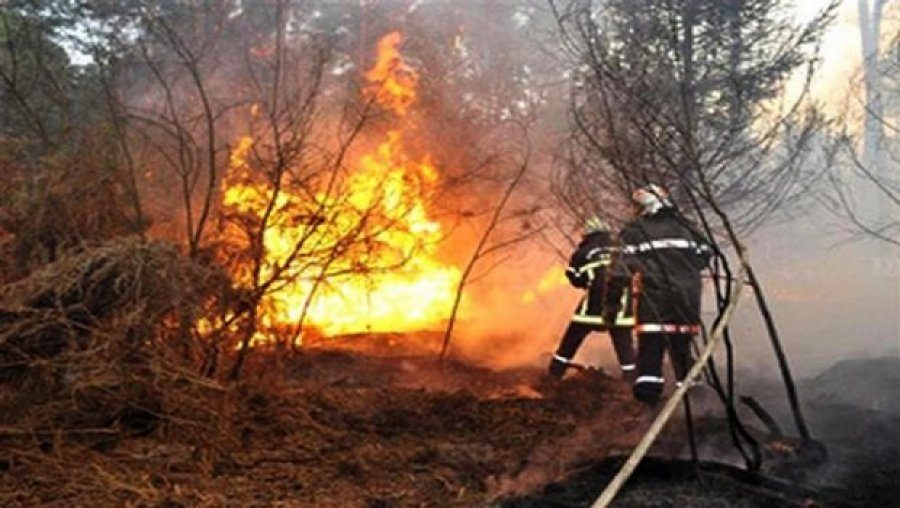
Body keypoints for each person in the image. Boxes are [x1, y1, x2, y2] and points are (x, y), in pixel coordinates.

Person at [606, 184, 712, 404]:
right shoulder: (687, 226)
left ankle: (649, 402)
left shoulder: (635, 231)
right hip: (687, 299)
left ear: (646, 206)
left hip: (655, 300)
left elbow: (619, 272)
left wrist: (612, 305)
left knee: (651, 348)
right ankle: (696, 402)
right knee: (681, 346)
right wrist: (684, 271)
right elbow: (705, 254)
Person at [548, 216, 636, 380]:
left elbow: (575, 279)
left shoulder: (584, 252)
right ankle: (632, 383)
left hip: (591, 309)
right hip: (621, 310)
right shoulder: (624, 248)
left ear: (587, 233)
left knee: (570, 341)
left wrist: (588, 282)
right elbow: (636, 272)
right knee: (625, 350)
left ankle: (554, 374)